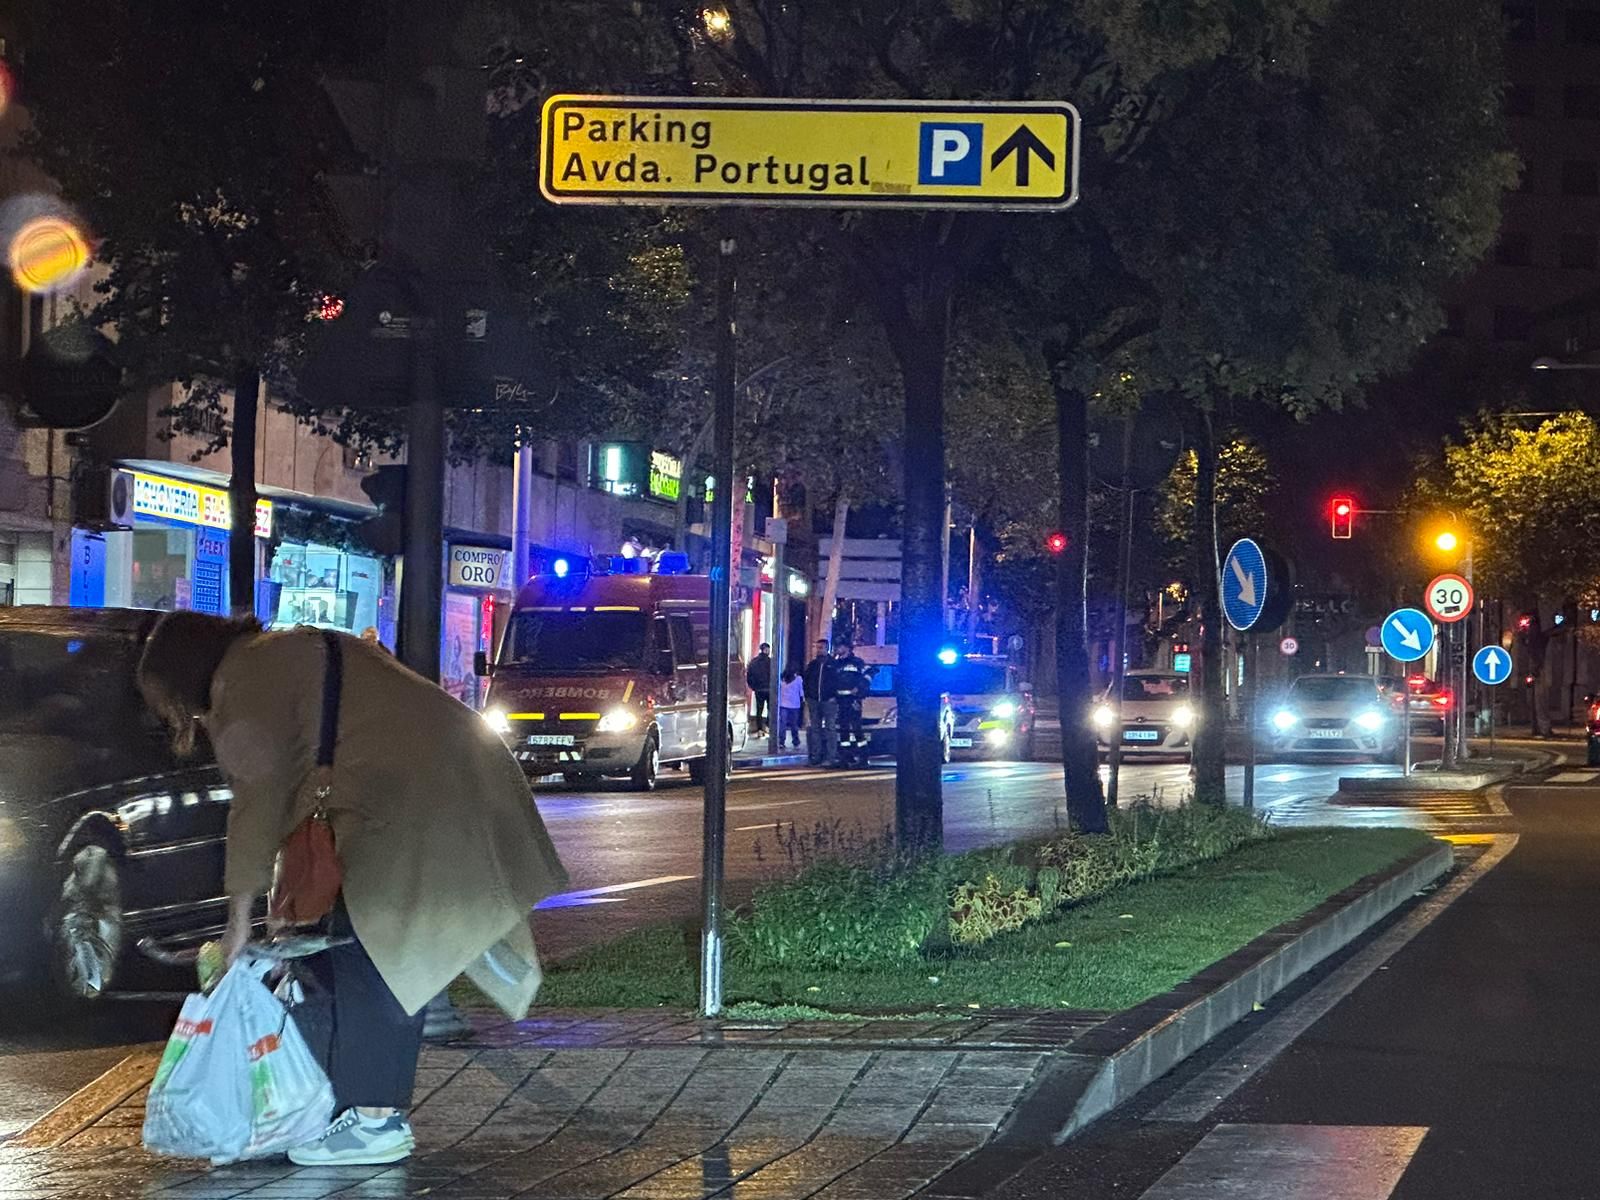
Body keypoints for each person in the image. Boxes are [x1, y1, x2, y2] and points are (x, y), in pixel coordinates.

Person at [136, 612, 567, 1167]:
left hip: (417, 795)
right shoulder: (279, 650)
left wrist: (238, 921)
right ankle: (347, 1104)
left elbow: (257, 804)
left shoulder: (243, 679)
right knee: (348, 947)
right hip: (449, 772)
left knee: (379, 949)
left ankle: (375, 1120)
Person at [831, 641, 871, 767]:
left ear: (847, 648)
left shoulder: (857, 662)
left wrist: (859, 690)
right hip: (841, 700)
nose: (838, 648)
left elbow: (870, 674)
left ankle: (863, 758)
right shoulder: (836, 664)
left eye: (840, 646)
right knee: (844, 730)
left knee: (856, 728)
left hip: (853, 700)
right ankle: (846, 757)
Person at [802, 639, 838, 765]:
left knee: (830, 728)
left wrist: (834, 696)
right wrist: (808, 696)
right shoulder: (813, 665)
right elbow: (806, 681)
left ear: (827, 649)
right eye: (817, 647)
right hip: (814, 701)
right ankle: (815, 757)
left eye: (821, 647)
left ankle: (830, 757)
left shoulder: (833, 664)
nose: (819, 650)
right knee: (815, 729)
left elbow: (837, 681)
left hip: (828, 701)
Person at [746, 642, 773, 736]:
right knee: (771, 709)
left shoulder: (754, 662)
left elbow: (749, 676)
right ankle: (768, 727)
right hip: (769, 689)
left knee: (759, 709)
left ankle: (759, 729)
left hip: (759, 690)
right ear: (766, 650)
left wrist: (753, 687)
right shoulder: (771, 662)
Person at [777, 666, 804, 750]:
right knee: (794, 724)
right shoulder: (798, 679)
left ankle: (781, 741)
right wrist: (802, 700)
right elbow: (801, 692)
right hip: (794, 704)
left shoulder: (781, 679)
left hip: (783, 704)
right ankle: (795, 741)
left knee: (782, 724)